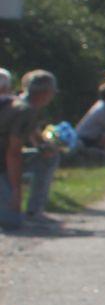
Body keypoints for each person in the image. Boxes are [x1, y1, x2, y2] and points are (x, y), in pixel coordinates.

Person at [2, 70, 60, 231]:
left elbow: (33, 134)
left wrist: (44, 146)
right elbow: (13, 153)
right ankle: (33, 212)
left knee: (48, 156)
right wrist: (16, 190)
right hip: (3, 164)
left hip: (4, 161)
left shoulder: (15, 103)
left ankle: (33, 211)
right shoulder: (26, 111)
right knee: (11, 224)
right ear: (45, 93)